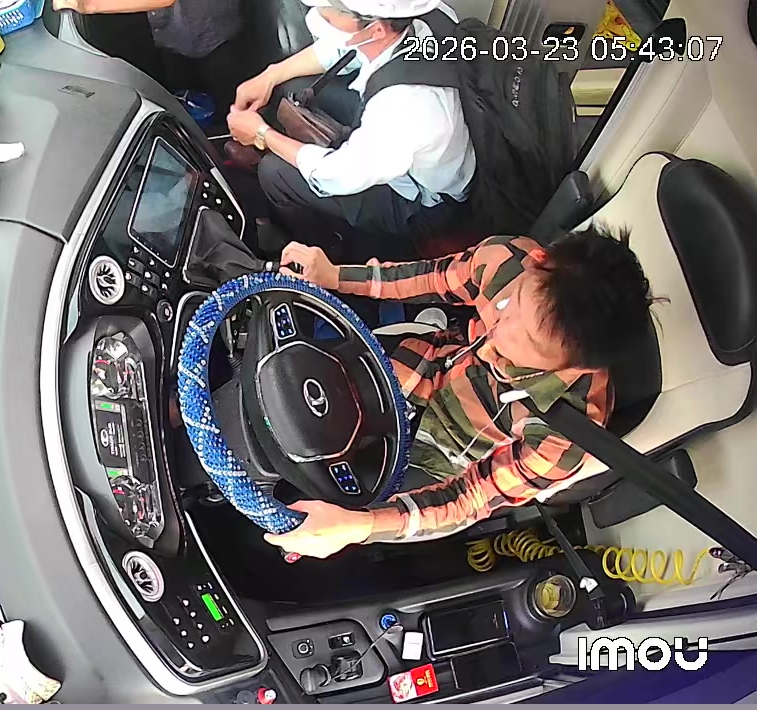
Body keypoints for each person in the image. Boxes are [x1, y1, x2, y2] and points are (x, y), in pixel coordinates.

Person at [263, 228, 657, 559]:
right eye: (513, 304)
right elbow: (433, 277)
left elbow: (470, 499)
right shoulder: (505, 261)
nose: (498, 333)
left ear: (579, 367)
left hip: (445, 461)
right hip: (426, 365)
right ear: (538, 260)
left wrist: (357, 527)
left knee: (316, 512)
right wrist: (334, 275)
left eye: (530, 343)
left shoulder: (564, 436)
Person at [226, 0, 474, 248]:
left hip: (422, 203)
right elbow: (339, 50)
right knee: (293, 88)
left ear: (377, 29)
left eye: (331, 14)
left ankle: (325, 246)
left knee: (274, 173)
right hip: (406, 144)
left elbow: (337, 175)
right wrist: (269, 77)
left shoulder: (405, 105)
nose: (320, 14)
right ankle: (279, 147)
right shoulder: (417, 15)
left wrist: (262, 134)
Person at [53, 0, 251, 119]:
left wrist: (87, 4)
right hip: (170, 37)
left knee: (231, 105)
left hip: (212, 34)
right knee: (180, 96)